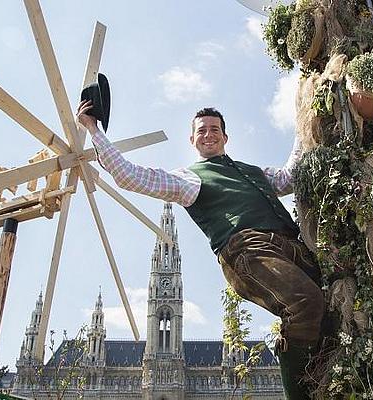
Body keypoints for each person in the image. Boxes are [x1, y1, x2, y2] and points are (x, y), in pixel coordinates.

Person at [77, 100, 324, 399]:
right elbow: (129, 175)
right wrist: (94, 130)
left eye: (215, 129)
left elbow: (289, 177)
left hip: (290, 246)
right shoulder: (189, 178)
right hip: (248, 250)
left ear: (225, 136)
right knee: (305, 303)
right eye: (202, 130)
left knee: (332, 304)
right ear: (192, 139)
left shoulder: (252, 172)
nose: (209, 134)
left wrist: (304, 119)